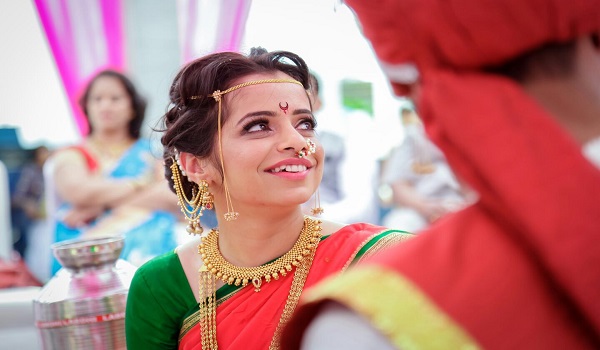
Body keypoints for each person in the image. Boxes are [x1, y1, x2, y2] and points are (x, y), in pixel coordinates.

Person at [281, 0, 600, 349]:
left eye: (305, 122)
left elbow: (362, 196)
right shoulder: (412, 140)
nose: (291, 141)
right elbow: (397, 184)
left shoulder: (370, 321)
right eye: (258, 126)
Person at [124, 47, 412, 349]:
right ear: (197, 164)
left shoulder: (384, 260)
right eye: (259, 126)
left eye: (305, 124)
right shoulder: (161, 287)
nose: (299, 142)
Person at [47, 69, 180, 276]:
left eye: (115, 98)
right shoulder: (72, 154)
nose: (105, 105)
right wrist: (142, 184)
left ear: (133, 107)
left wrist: (100, 206)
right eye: (97, 99)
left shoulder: (152, 151)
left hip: (149, 254)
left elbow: (172, 195)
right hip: (87, 255)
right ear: (87, 107)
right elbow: (78, 192)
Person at [380, 106, 474, 232]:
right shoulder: (414, 135)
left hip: (467, 208)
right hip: (421, 208)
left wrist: (467, 205)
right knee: (398, 225)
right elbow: (399, 185)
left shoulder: (476, 131)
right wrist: (426, 207)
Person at [302, 73, 379, 224]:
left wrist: (317, 214)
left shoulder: (342, 145)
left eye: (304, 92)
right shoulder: (266, 147)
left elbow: (359, 203)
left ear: (319, 103)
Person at [11, 145, 50, 258]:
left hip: (46, 217)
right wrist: (28, 204)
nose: (47, 155)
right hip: (31, 220)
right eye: (43, 153)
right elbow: (17, 197)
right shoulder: (30, 171)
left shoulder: (48, 170)